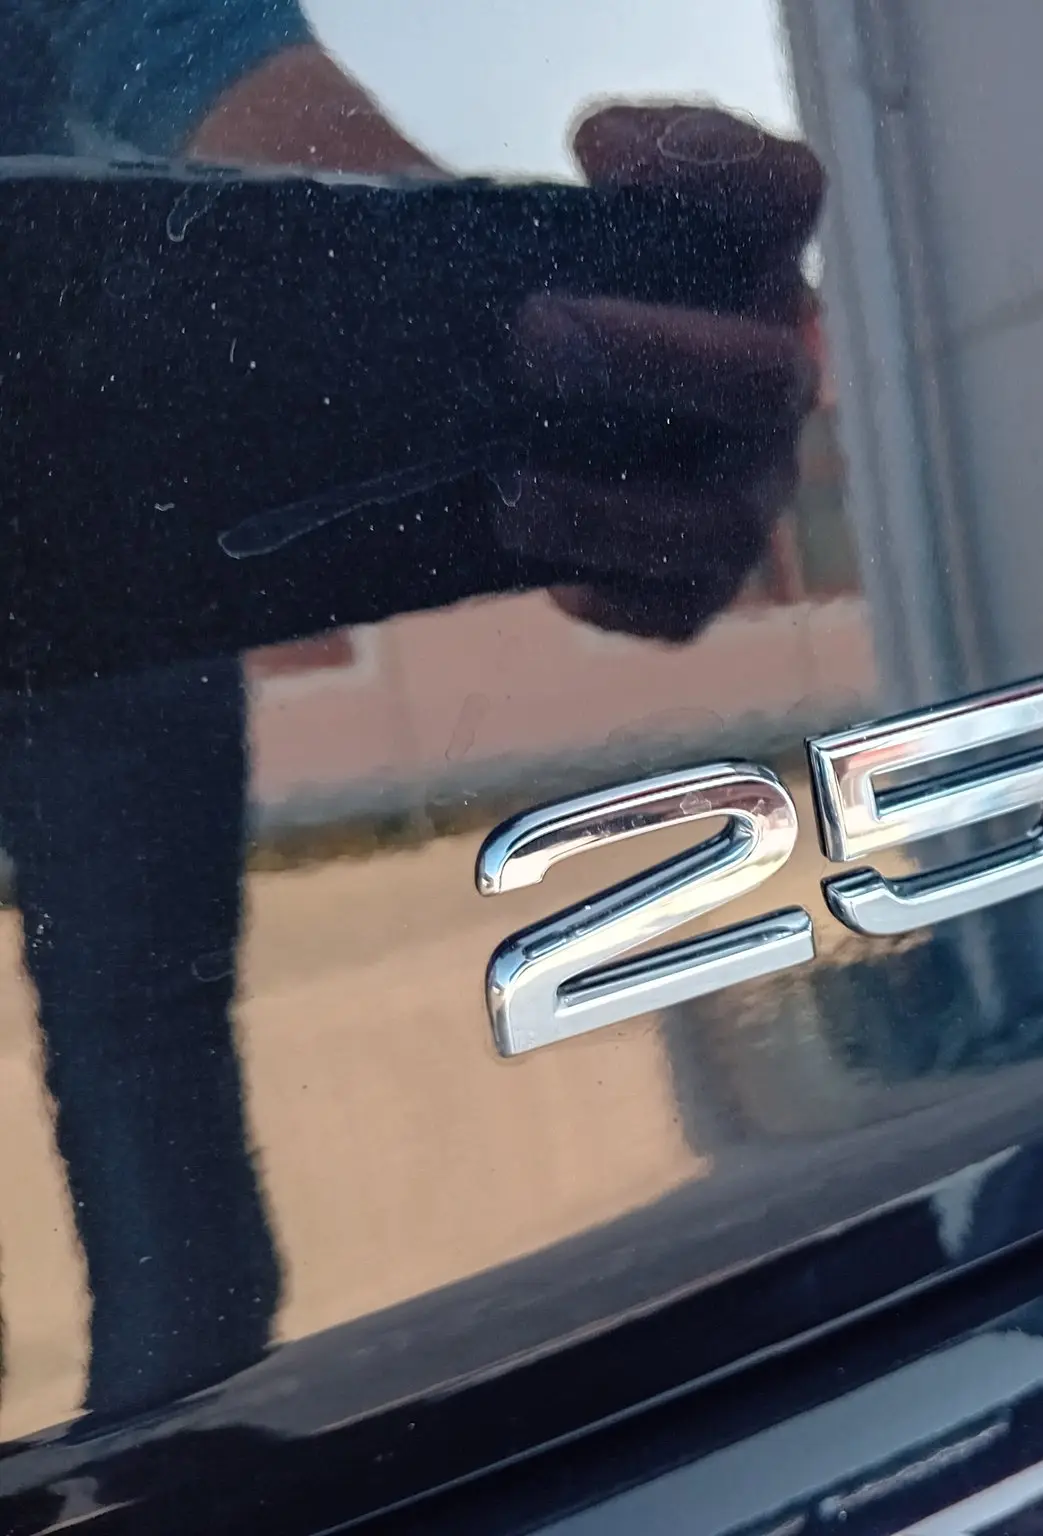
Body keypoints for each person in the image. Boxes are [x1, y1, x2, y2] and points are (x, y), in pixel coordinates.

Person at [0, 0, 823, 1423]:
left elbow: (185, 42)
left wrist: (538, 347)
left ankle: (195, 1482)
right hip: (114, 570)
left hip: (108, 569)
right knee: (146, 1070)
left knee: (147, 1078)